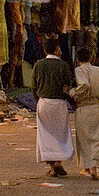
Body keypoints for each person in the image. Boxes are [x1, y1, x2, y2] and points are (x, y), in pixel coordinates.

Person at [32, 37, 74, 178]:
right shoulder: (63, 66)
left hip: (43, 102)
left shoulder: (38, 65)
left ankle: (52, 166)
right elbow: (67, 87)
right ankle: (58, 162)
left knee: (46, 136)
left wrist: (38, 99)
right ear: (56, 50)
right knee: (61, 134)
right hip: (59, 104)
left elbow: (34, 87)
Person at [70, 46, 99, 179]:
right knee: (97, 138)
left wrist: (72, 92)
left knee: (84, 139)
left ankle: (87, 167)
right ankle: (94, 167)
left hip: (84, 107)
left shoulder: (79, 70)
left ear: (78, 59)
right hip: (97, 106)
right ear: (91, 58)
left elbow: (84, 84)